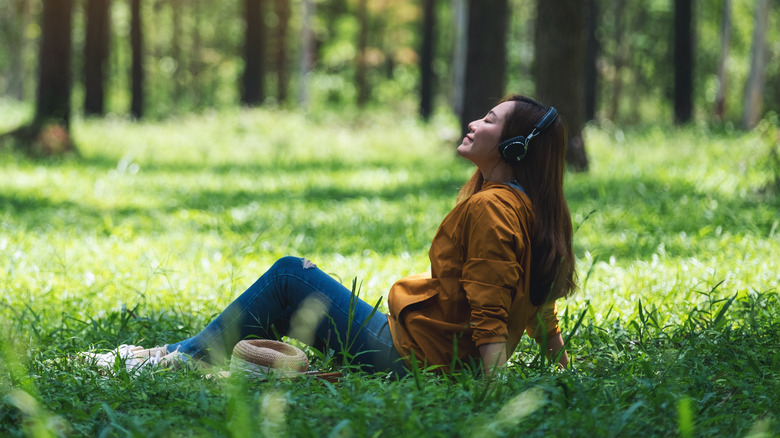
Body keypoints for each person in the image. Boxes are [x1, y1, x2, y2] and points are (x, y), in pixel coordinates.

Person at [92, 95, 576, 377]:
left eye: (489, 121)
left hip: (414, 358)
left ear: (514, 146)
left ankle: (169, 359)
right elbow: (539, 300)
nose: (474, 122)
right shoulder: (526, 205)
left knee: (288, 275)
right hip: (427, 350)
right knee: (292, 282)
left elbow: (491, 305)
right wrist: (562, 368)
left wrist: (487, 396)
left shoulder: (494, 208)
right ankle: (173, 354)